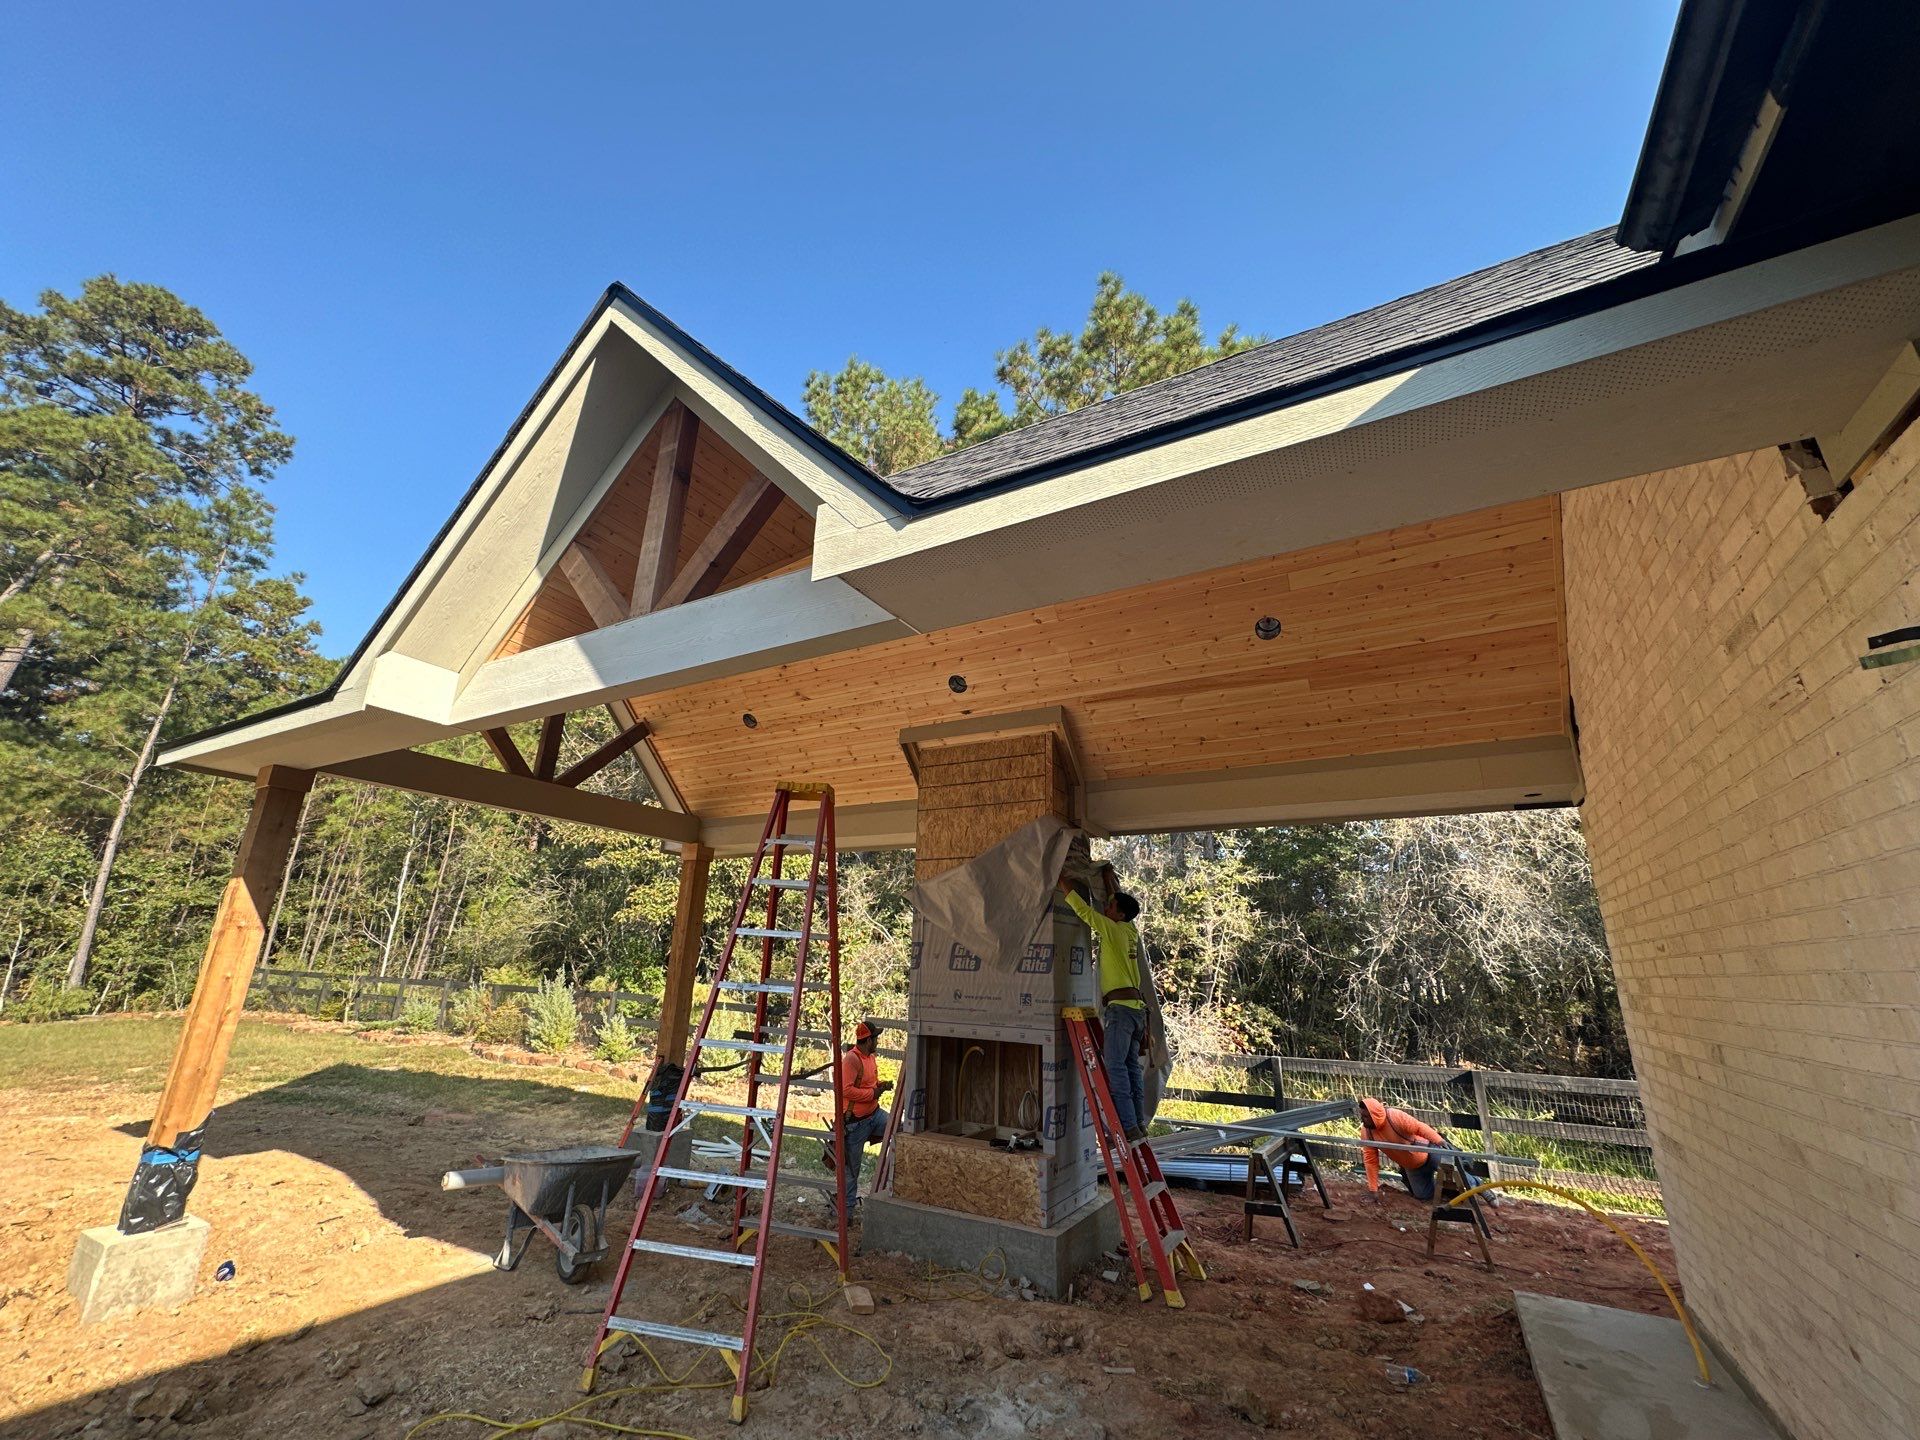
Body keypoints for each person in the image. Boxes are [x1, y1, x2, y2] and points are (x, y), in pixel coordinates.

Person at [1056, 863, 1151, 1144]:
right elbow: (1118, 903)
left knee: (1115, 1066)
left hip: (1121, 1012)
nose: (1106, 909)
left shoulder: (1112, 930)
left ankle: (1127, 1125)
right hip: (1135, 1012)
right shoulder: (1130, 931)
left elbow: (1084, 912)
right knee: (1131, 1067)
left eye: (1110, 907)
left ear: (1118, 915)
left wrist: (1062, 881)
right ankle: (1137, 1123)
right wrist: (1111, 882)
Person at [836, 1020, 893, 1216]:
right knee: (851, 1171)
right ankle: (846, 1212)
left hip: (874, 1114)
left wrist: (881, 1085)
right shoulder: (851, 1059)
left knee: (899, 1130)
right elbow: (845, 1089)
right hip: (856, 1122)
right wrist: (872, 1094)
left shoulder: (870, 1058)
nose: (877, 1041)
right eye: (875, 1037)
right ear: (868, 1040)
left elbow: (870, 1082)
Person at [1355, 1096, 1447, 1202]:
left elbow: (1419, 1127)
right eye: (1361, 1115)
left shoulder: (1394, 1116)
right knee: (1423, 1196)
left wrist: (1439, 1141)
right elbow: (1370, 1161)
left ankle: (1470, 1189)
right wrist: (1373, 1190)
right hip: (1413, 1166)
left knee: (1456, 1172)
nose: (1362, 1119)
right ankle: (1448, 1192)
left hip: (1430, 1150)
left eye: (1365, 1116)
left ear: (1374, 1115)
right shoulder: (1367, 1132)